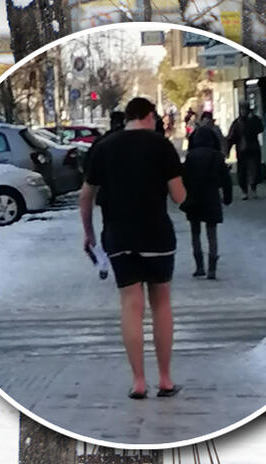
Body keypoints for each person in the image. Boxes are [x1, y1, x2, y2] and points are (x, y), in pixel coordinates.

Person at [79, 97, 186, 400]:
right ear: (150, 116)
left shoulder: (103, 147)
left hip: (118, 235)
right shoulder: (161, 145)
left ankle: (138, 382)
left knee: (131, 305)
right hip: (157, 235)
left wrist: (88, 234)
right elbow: (178, 196)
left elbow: (86, 196)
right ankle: (165, 380)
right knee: (161, 303)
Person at [181, 124, 232, 279]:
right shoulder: (217, 156)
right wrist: (227, 197)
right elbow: (226, 179)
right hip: (211, 198)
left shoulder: (191, 156)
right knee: (212, 234)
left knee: (195, 234)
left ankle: (199, 266)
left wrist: (183, 197)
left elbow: (184, 179)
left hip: (194, 198)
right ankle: (212, 268)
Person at [226, 102, 264, 200]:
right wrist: (227, 151)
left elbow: (260, 128)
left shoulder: (253, 120)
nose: (243, 111)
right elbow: (231, 137)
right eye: (242, 109)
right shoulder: (237, 123)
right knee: (242, 172)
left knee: (254, 169)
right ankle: (244, 191)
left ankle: (253, 188)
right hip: (242, 150)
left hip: (253, 149)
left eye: (245, 109)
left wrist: (254, 119)